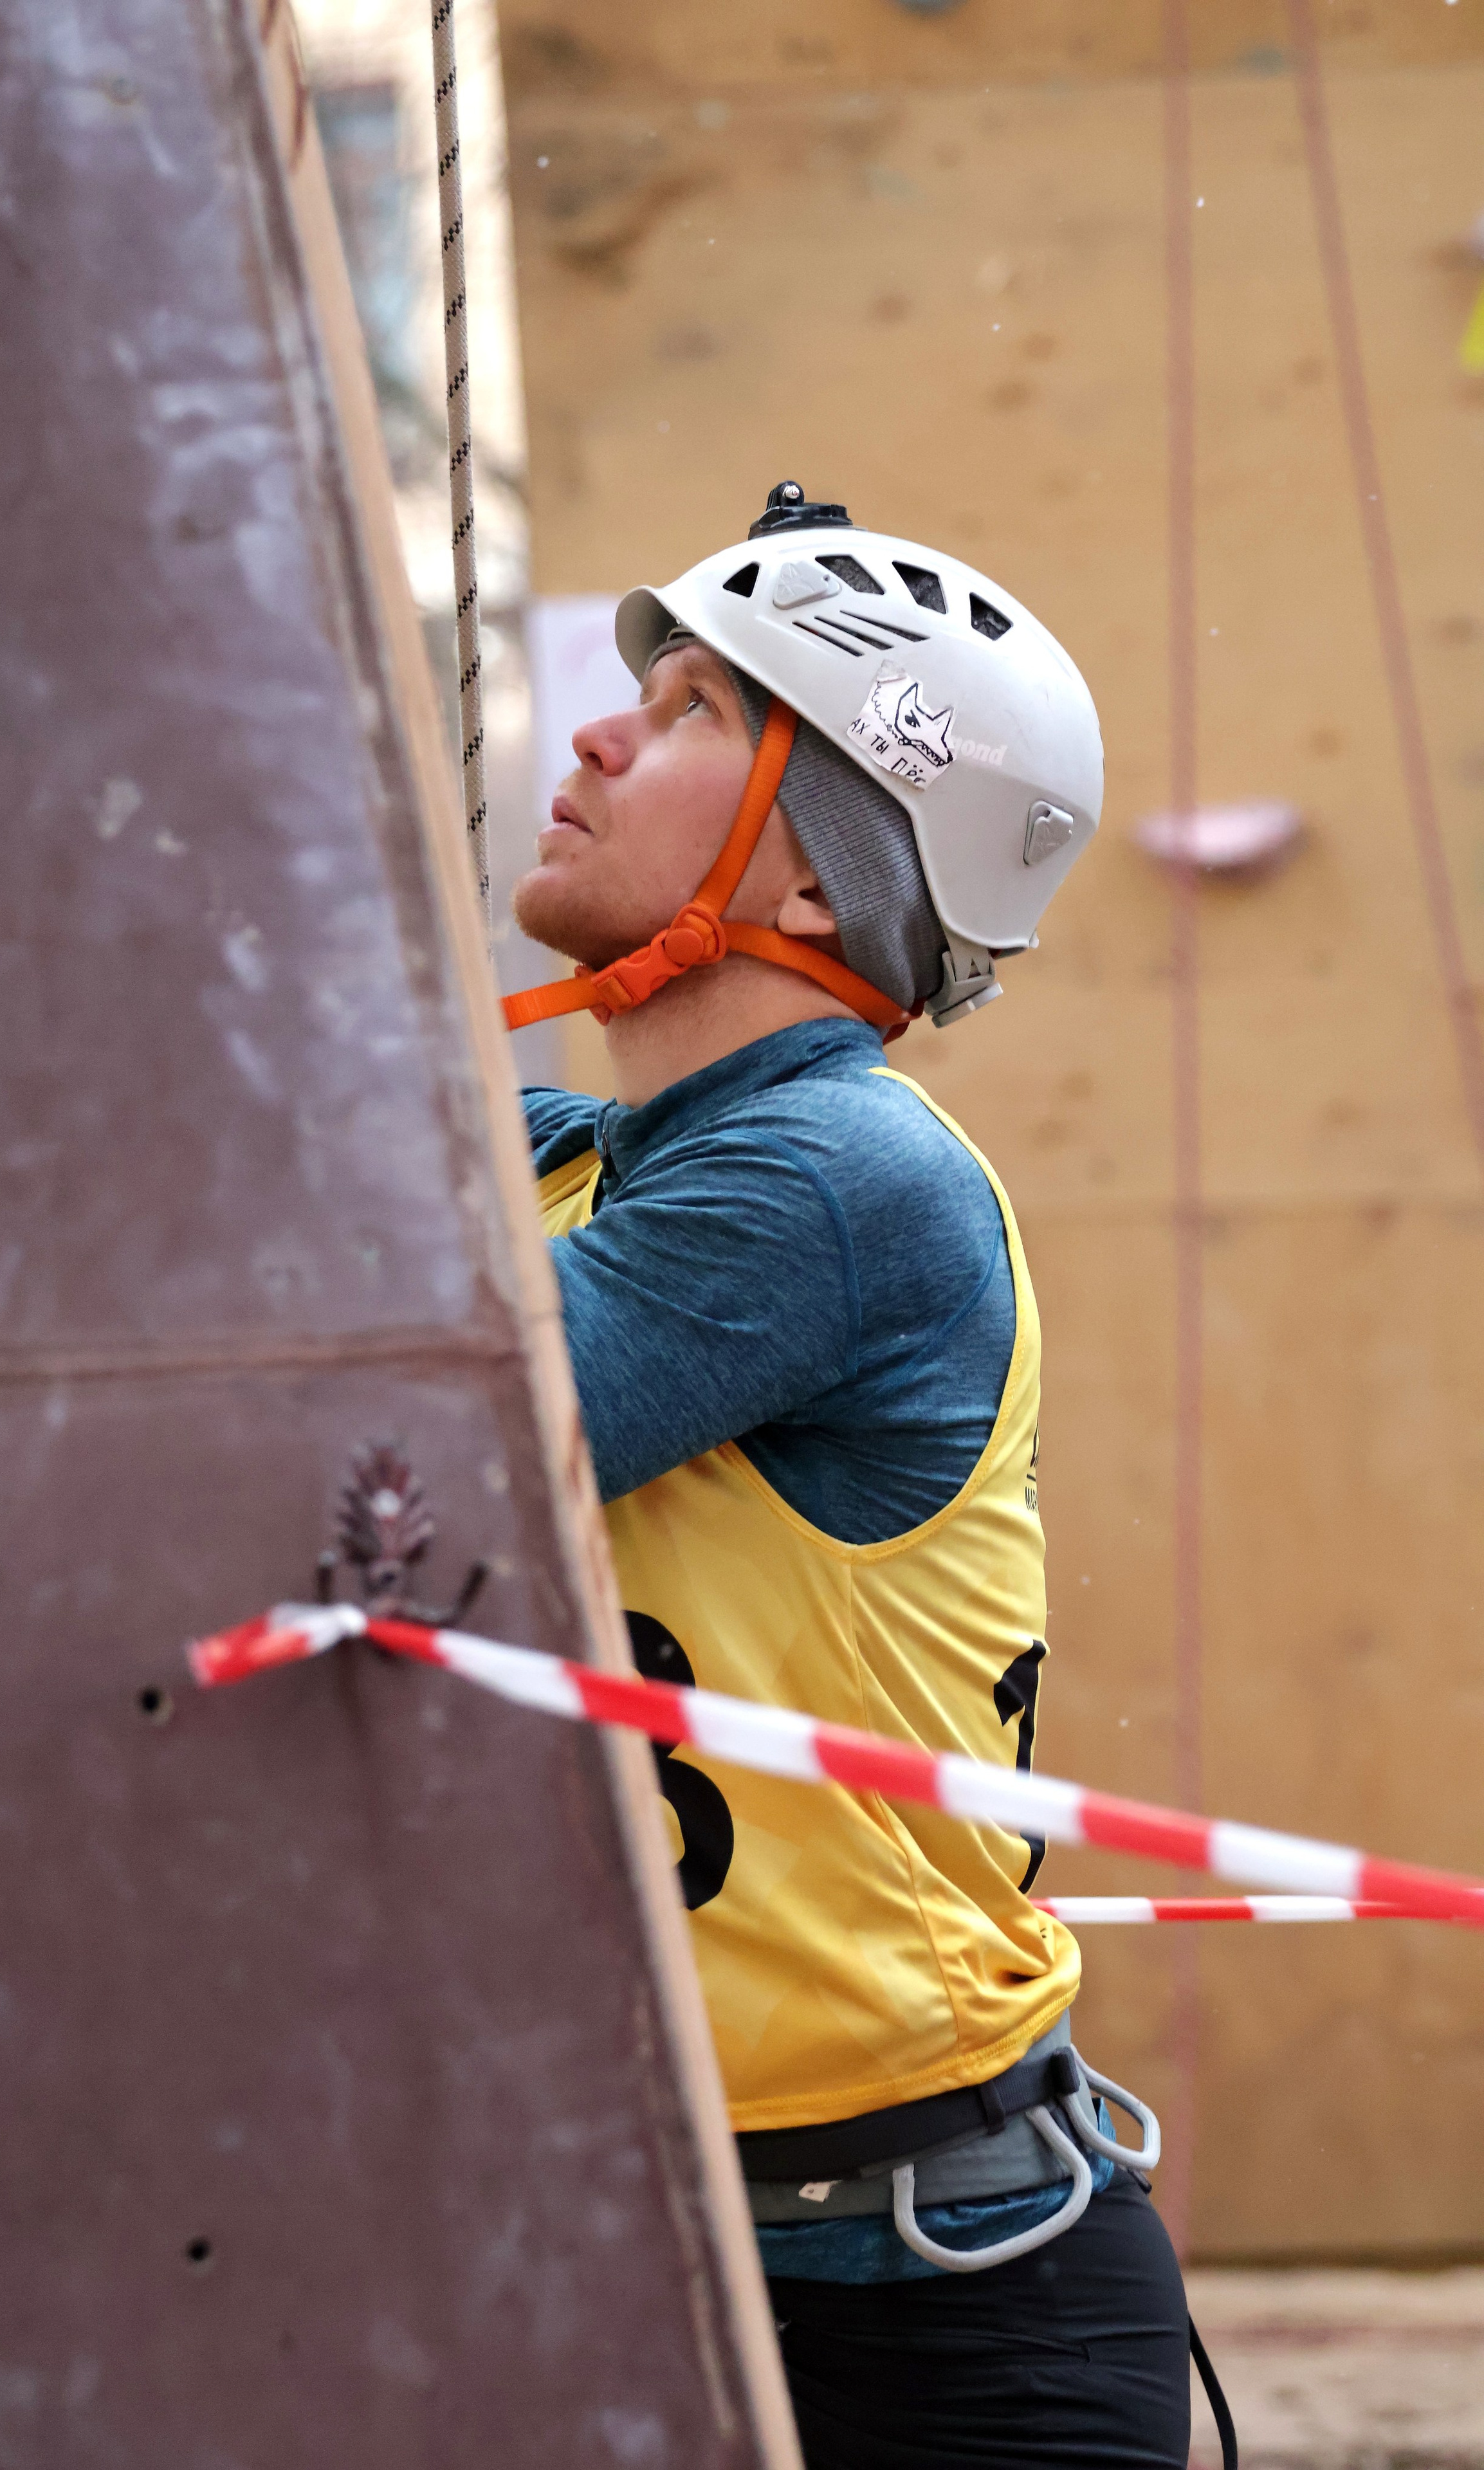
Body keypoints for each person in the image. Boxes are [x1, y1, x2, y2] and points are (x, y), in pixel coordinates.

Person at [504, 484, 1220, 2469]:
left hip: (933, 2314)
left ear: (815, 887)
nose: (594, 735)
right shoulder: (605, 1166)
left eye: (694, 709)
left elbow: (392, 1451)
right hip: (695, 2249)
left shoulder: (836, 1180)